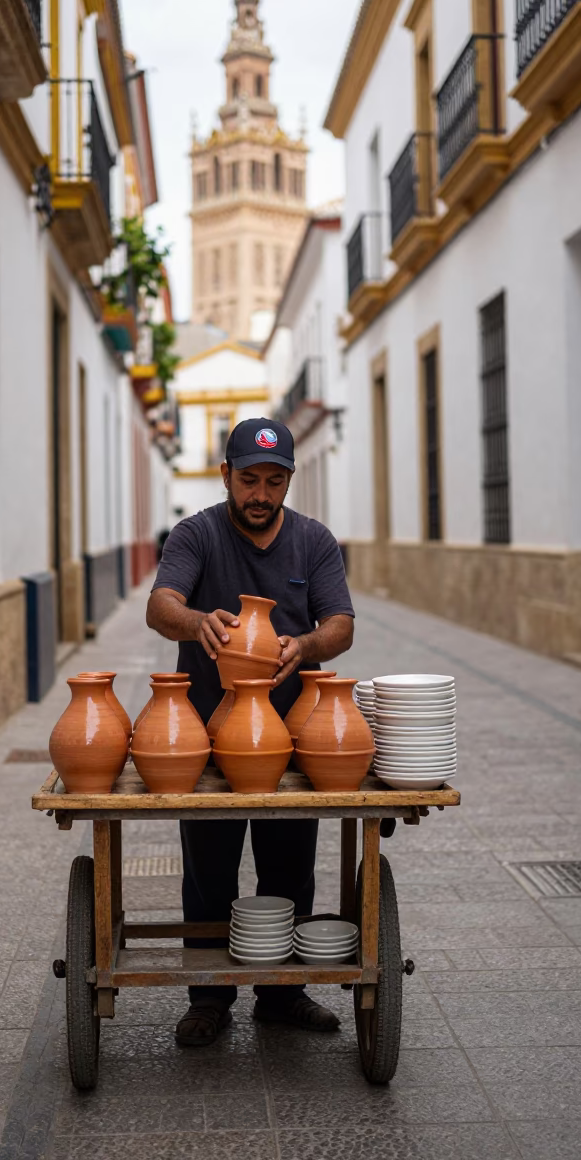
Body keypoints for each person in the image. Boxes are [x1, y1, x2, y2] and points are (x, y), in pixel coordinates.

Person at [146, 417, 355, 1047]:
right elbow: (160, 605)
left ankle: (282, 995)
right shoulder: (197, 533)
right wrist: (194, 623)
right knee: (208, 871)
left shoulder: (314, 541)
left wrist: (309, 643)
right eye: (248, 480)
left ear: (289, 480)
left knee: (289, 868)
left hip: (292, 739)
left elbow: (341, 624)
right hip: (209, 741)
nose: (260, 494)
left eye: (273, 480)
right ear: (226, 477)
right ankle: (208, 999)